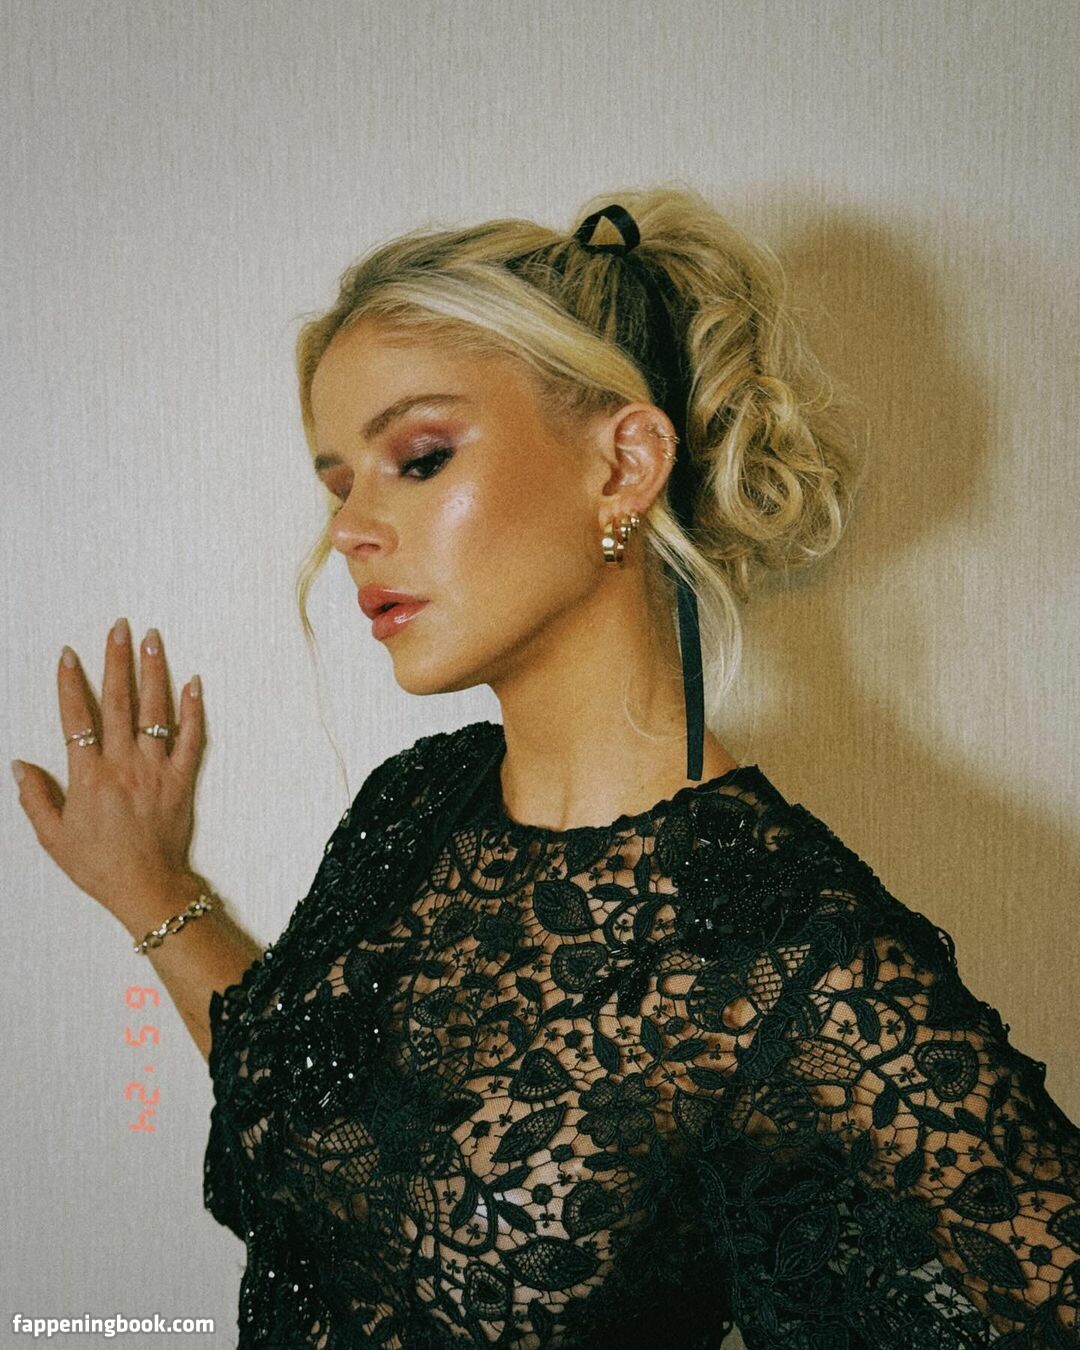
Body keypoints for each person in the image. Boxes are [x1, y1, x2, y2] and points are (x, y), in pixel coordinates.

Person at [13, 186, 1080, 1349]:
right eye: (339, 482)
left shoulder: (785, 958)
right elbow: (316, 1119)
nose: (350, 530)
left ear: (624, 464)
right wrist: (153, 888)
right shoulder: (419, 805)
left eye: (418, 458)